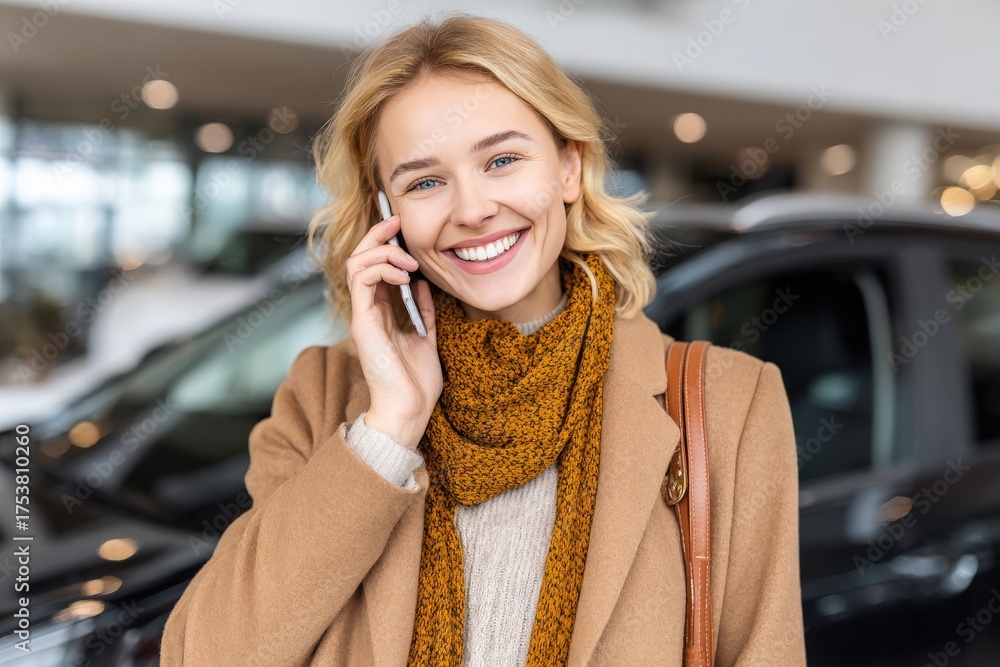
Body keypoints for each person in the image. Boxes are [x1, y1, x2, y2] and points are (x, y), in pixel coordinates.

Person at [160, 13, 806, 667]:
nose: (470, 209)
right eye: (424, 181)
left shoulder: (731, 403)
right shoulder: (325, 395)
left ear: (568, 169)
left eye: (502, 160)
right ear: (389, 216)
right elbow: (206, 655)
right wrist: (389, 428)